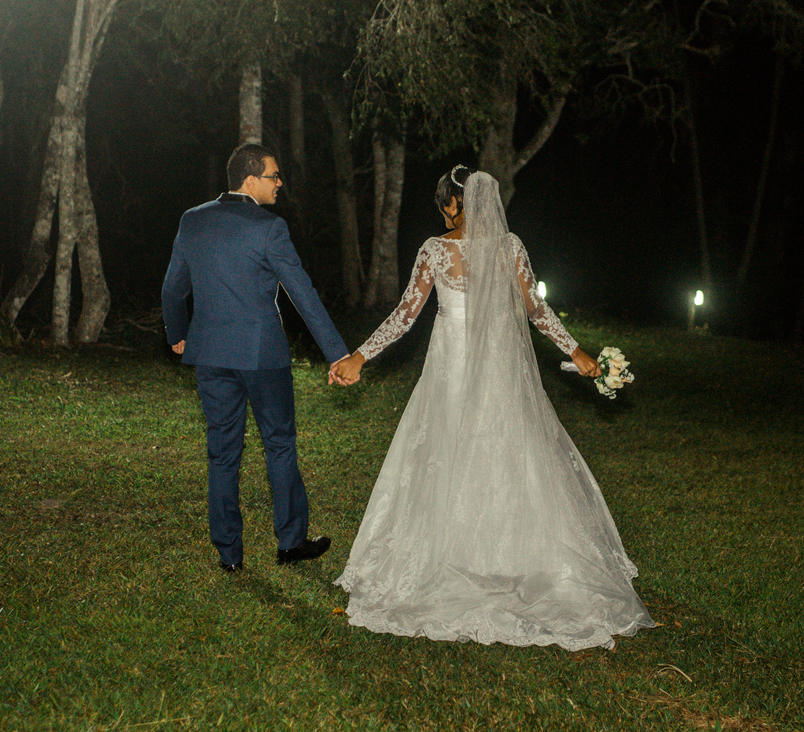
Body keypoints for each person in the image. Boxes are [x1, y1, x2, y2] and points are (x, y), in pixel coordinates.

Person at [329, 167, 655, 651]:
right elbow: (537, 311)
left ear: (453, 204)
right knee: (503, 457)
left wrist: (359, 356)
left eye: (445, 203)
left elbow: (405, 315)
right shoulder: (510, 247)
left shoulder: (437, 250)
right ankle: (502, 558)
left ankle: (461, 558)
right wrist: (577, 351)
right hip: (499, 370)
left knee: (454, 457)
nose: (444, 211)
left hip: (454, 373)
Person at [162, 143, 351, 574]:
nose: (280, 183)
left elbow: (173, 290)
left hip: (209, 354)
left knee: (222, 453)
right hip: (261, 355)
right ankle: (290, 543)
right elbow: (303, 294)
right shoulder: (269, 228)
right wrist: (338, 353)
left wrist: (178, 334)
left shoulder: (193, 220)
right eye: (274, 176)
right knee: (279, 444)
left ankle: (230, 555)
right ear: (251, 180)